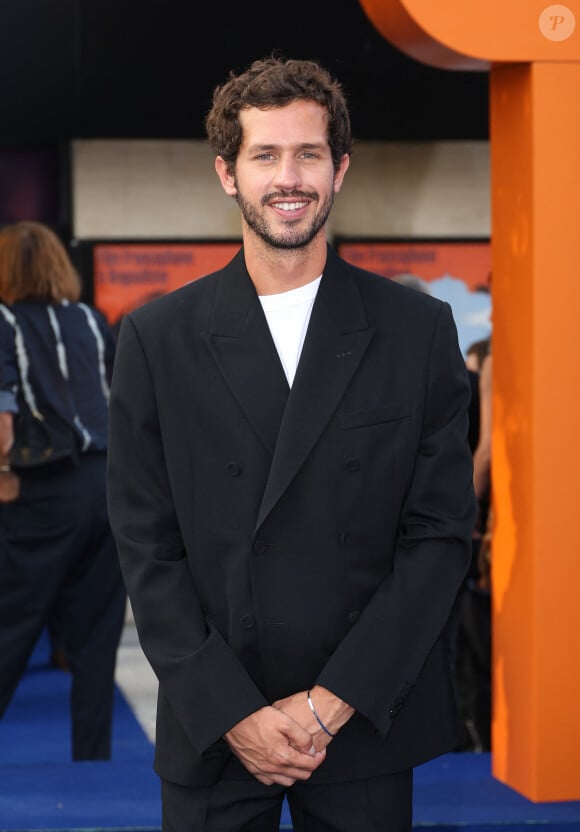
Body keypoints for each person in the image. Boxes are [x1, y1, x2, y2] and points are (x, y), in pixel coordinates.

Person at [107, 56, 476, 831]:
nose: (289, 177)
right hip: (217, 721)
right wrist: (235, 711)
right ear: (227, 174)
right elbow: (147, 543)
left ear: (340, 169)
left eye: (309, 153)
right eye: (265, 155)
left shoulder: (415, 333)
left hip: (360, 716)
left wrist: (329, 704)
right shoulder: (158, 338)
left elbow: (439, 537)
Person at [0, 221, 126, 760]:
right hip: (106, 487)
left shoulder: (2, 322)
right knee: (97, 635)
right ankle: (91, 758)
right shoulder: (91, 321)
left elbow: (1, 424)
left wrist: (4, 475)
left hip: (41, 491)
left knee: (12, 623)